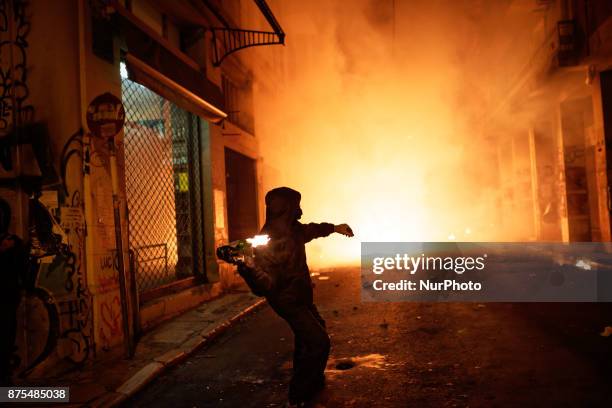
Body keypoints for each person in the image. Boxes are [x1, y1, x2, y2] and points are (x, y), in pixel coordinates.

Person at [238, 187, 354, 406]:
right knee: (319, 342)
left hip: (302, 296)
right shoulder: (267, 242)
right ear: (286, 209)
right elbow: (265, 286)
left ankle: (313, 383)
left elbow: (312, 229)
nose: (300, 211)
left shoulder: (294, 230)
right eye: (296, 206)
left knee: (308, 337)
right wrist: (249, 268)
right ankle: (299, 395)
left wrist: (336, 228)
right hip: (288, 301)